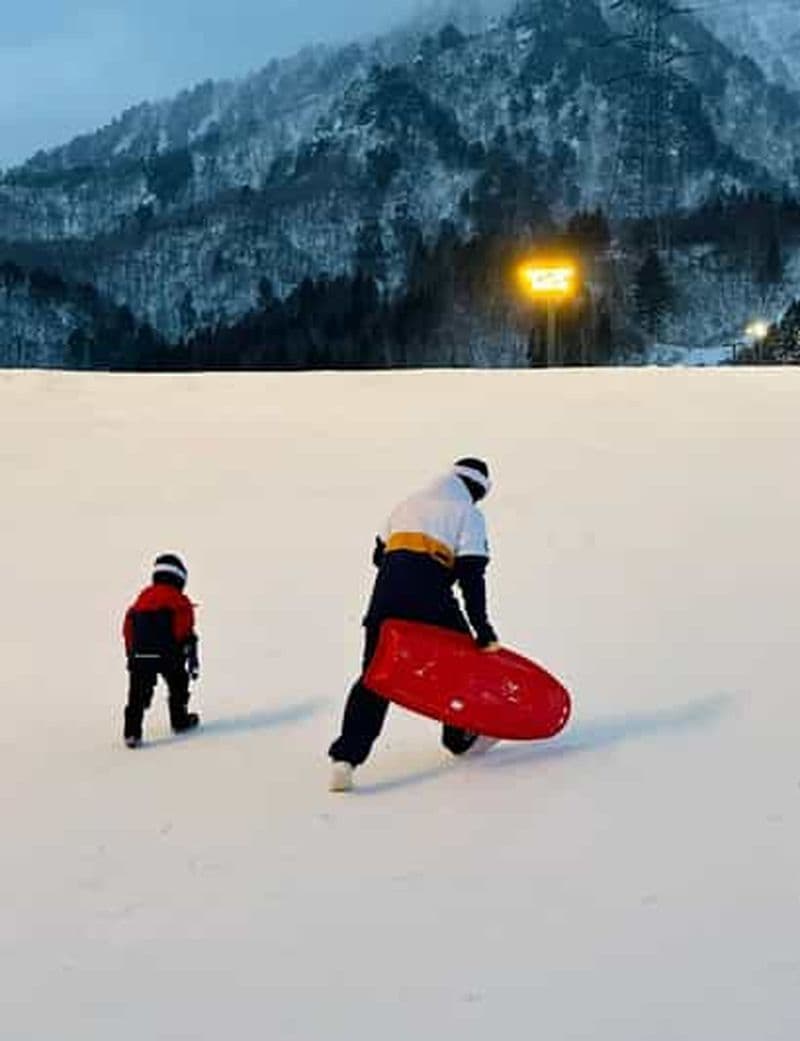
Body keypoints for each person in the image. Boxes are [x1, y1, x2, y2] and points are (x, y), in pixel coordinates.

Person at [328, 457, 500, 791]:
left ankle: (345, 759)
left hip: (385, 601)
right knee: (463, 662)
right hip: (432, 598)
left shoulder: (407, 504)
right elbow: (472, 575)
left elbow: (379, 555)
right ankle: (458, 737)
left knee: (375, 677)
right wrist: (483, 629)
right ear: (477, 489)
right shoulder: (469, 514)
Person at [122, 553, 201, 748]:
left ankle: (132, 732)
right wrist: (187, 650)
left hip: (140, 655)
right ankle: (179, 719)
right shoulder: (179, 600)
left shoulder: (142, 598)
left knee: (136, 694)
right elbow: (184, 629)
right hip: (168, 655)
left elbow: (128, 626)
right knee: (178, 685)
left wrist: (131, 652)